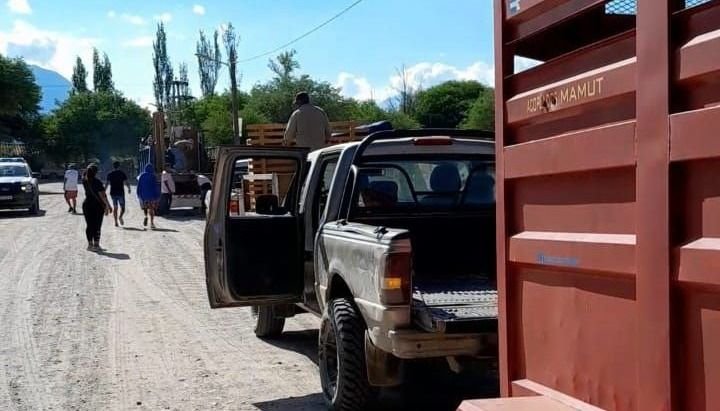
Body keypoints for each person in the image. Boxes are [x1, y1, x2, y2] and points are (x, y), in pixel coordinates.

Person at [82, 164, 111, 250]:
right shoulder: (97, 182)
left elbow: (84, 175)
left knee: (89, 225)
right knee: (97, 225)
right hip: (97, 206)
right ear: (96, 172)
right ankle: (96, 245)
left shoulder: (84, 180)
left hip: (87, 205)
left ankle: (90, 245)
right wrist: (108, 206)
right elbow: (102, 196)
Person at [106, 161, 132, 227]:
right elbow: (126, 182)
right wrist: (129, 188)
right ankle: (120, 217)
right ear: (119, 166)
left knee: (115, 208)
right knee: (123, 208)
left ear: (113, 166)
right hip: (120, 193)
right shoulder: (122, 173)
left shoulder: (110, 174)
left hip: (113, 193)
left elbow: (107, 184)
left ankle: (116, 222)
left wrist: (104, 191)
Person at [137, 164, 160, 229]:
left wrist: (138, 194)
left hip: (143, 196)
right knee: (151, 209)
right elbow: (156, 186)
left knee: (145, 208)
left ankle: (145, 216)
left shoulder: (141, 176)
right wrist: (157, 195)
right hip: (151, 196)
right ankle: (152, 223)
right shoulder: (153, 176)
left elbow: (139, 186)